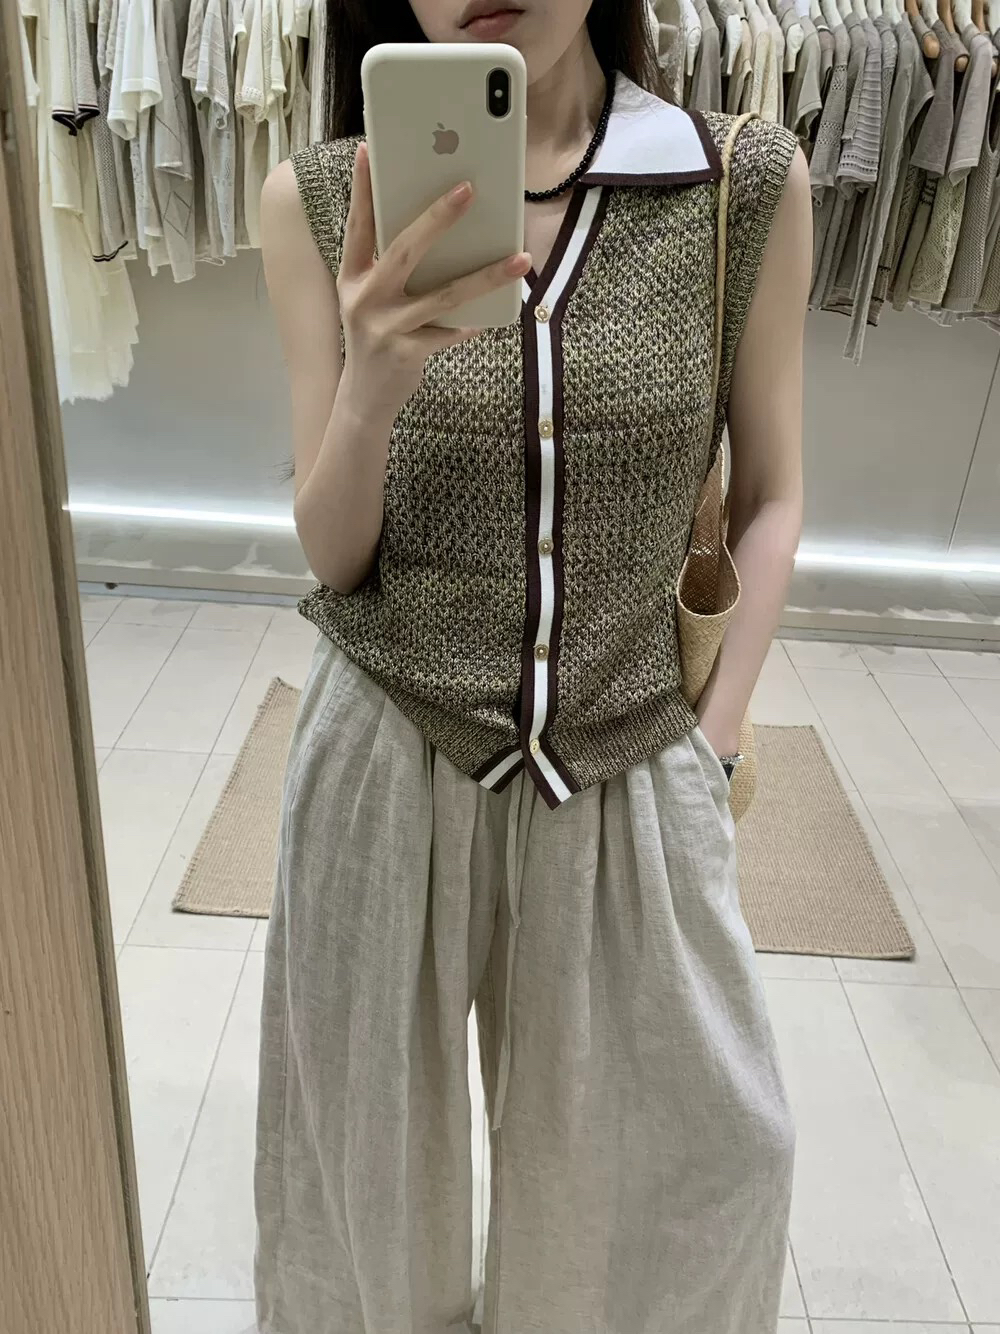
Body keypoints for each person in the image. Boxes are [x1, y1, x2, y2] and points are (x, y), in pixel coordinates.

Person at [253, 1, 811, 1330]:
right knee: (364, 1197)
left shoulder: (738, 184)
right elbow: (334, 554)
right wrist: (371, 383)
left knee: (691, 1176)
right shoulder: (318, 197)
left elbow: (773, 494)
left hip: (630, 760)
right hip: (388, 757)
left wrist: (716, 738)